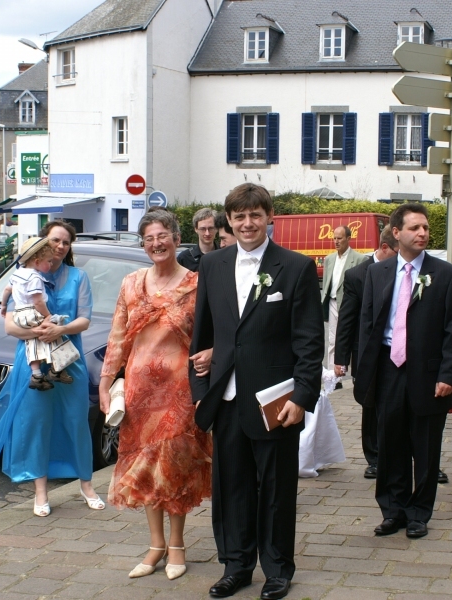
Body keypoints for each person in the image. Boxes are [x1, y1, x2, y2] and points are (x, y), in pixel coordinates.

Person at [189, 183, 324, 600]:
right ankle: (236, 565)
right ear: (229, 220)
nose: (247, 223)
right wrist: (200, 390)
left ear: (269, 218)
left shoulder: (296, 267)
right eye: (239, 216)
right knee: (231, 489)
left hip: (275, 402)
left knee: (278, 489)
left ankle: (279, 569)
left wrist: (303, 397)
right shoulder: (212, 265)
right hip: (225, 398)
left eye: (255, 215)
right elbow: (203, 335)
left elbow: (308, 341)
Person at [99, 210, 212, 581]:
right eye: (149, 238)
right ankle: (155, 545)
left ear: (178, 239)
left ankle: (177, 545)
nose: (156, 244)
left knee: (174, 467)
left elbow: (212, 335)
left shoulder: (198, 285)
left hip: (180, 391)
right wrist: (105, 383)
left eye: (162, 236)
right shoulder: (131, 284)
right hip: (138, 393)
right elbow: (117, 339)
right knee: (146, 468)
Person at [354, 203, 452, 540]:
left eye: (425, 228)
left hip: (428, 372)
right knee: (390, 443)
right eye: (414, 228)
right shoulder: (377, 272)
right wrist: (365, 371)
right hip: (388, 367)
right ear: (396, 233)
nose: (422, 233)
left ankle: (419, 512)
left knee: (426, 447)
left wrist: (448, 375)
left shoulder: (445, 274)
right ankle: (394, 510)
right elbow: (368, 324)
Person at [0, 220, 103, 517]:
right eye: (56, 241)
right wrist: (40, 332)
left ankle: (87, 486)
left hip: (67, 361)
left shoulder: (78, 277)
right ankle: (40, 492)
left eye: (66, 243)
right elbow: (10, 325)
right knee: (37, 424)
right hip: (33, 363)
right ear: (43, 243)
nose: (60, 247)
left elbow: (84, 320)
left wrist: (59, 330)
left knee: (75, 422)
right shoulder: (24, 276)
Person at [334, 228, 398, 479]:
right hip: (366, 352)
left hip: (396, 350)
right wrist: (341, 358)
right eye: (396, 251)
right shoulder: (357, 275)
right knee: (370, 405)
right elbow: (346, 319)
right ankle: (373, 457)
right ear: (384, 248)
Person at [1, 237, 72, 391]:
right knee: (55, 332)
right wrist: (48, 316)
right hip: (32, 312)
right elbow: (38, 302)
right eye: (49, 261)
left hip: (19, 315)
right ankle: (57, 369)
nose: (51, 264)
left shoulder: (17, 274)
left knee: (33, 342)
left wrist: (3, 306)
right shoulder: (35, 278)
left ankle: (37, 374)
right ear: (37, 261)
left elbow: (7, 290)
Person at [321, 226, 367, 374]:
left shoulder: (360, 259)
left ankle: (353, 370)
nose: (336, 241)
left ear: (348, 238)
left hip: (349, 305)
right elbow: (327, 283)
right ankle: (334, 374)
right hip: (333, 303)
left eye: (339, 238)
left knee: (350, 339)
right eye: (334, 238)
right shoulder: (329, 259)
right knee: (333, 340)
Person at [177, 207, 218, 271]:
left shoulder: (225, 255)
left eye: (211, 228)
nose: (207, 233)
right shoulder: (184, 258)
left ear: (216, 228)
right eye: (202, 229)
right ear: (196, 229)